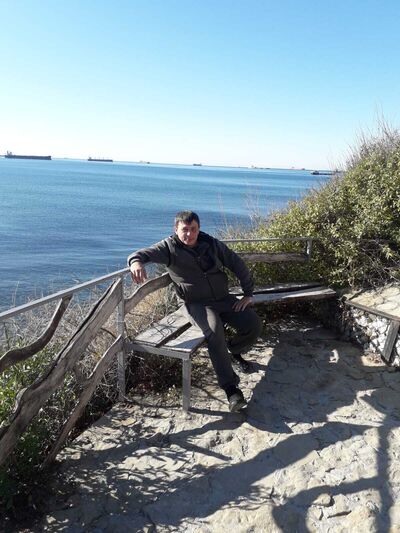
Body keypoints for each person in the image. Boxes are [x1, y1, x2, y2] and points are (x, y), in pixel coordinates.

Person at [127, 210, 262, 412]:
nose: (189, 234)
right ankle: (231, 390)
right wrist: (135, 262)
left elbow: (235, 262)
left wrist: (248, 293)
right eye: (185, 229)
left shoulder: (211, 244)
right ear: (176, 229)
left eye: (193, 229)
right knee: (214, 331)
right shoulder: (168, 248)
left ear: (199, 229)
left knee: (253, 323)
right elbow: (141, 254)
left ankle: (234, 350)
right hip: (196, 305)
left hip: (223, 299)